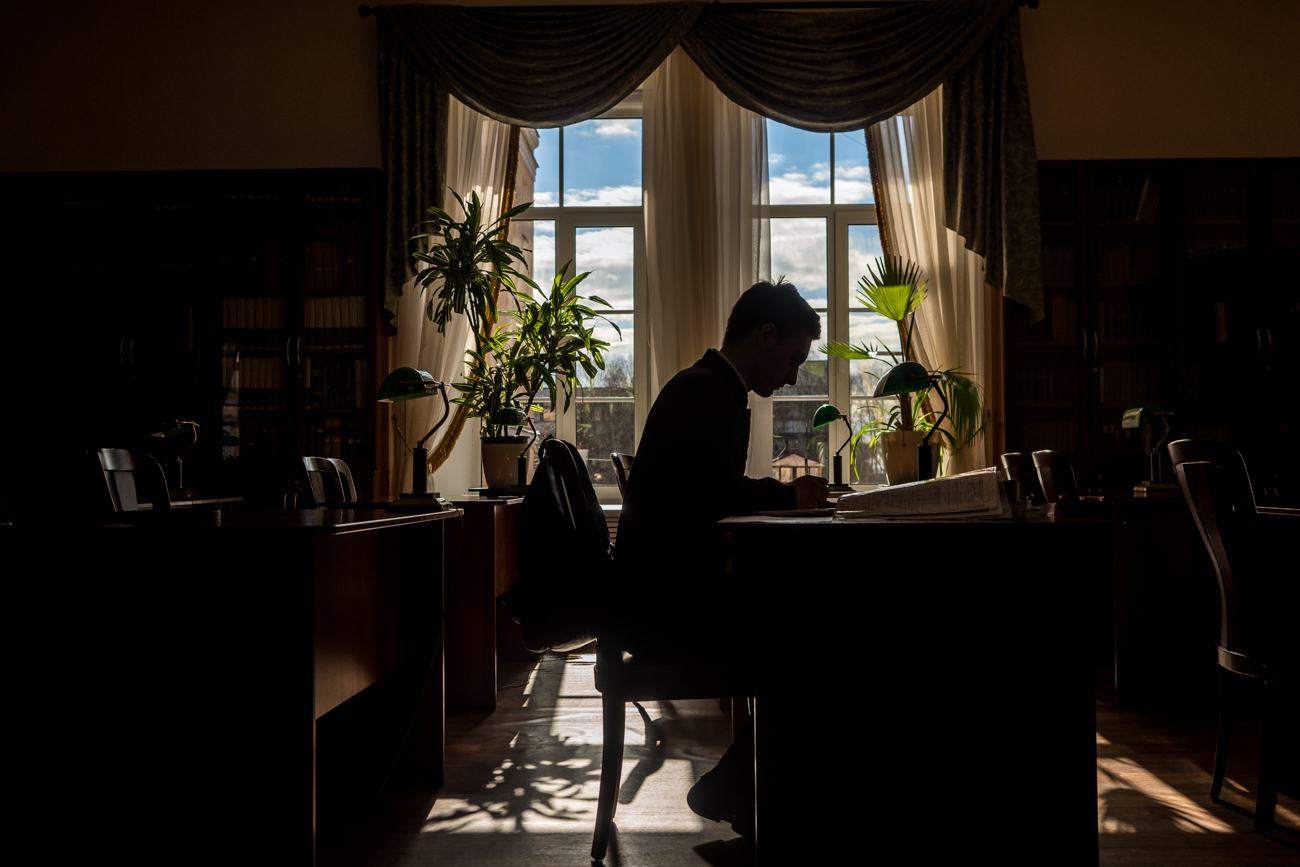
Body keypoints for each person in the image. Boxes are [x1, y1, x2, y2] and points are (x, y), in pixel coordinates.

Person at [611, 279, 829, 838]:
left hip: (661, 599)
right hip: (666, 611)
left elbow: (708, 494)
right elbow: (712, 493)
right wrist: (788, 495)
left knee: (808, 630)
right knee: (813, 640)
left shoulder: (709, 387)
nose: (792, 375)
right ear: (765, 335)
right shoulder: (707, 392)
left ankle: (741, 788)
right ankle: (748, 791)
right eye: (794, 358)